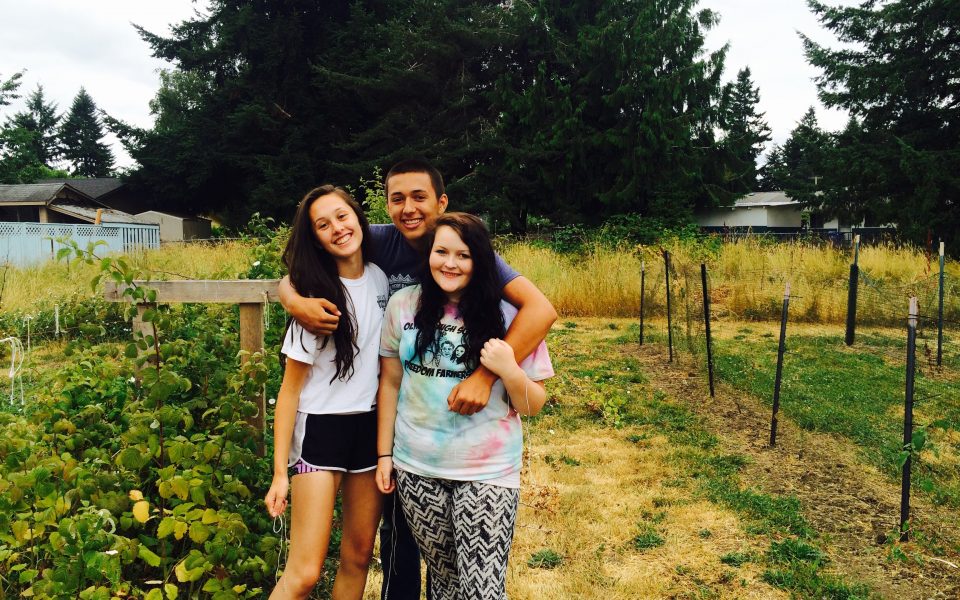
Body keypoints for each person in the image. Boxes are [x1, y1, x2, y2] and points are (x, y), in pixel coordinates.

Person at [277, 158, 558, 600]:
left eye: (419, 197)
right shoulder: (375, 244)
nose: (408, 208)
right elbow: (311, 256)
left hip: (466, 457)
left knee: (462, 580)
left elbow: (541, 309)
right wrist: (293, 300)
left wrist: (488, 375)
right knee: (402, 551)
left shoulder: (471, 253)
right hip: (400, 444)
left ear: (441, 202)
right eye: (397, 198)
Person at [375, 213, 553, 600]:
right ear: (428, 255)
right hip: (416, 468)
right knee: (444, 582)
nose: (450, 263)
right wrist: (385, 454)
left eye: (464, 255)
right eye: (441, 252)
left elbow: (533, 404)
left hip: (487, 471)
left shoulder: (510, 316)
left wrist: (508, 369)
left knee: (481, 590)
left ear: (481, 260)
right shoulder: (403, 306)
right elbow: (390, 383)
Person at [265, 185, 389, 600]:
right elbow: (289, 392)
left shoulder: (379, 278)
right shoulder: (314, 301)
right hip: (320, 432)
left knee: (358, 557)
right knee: (304, 574)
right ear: (316, 239)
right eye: (323, 225)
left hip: (370, 430)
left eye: (342, 216)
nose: (337, 228)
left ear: (357, 216)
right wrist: (280, 473)